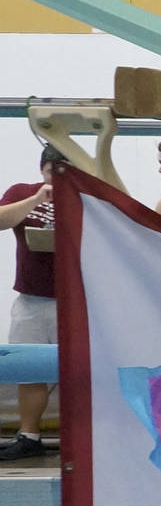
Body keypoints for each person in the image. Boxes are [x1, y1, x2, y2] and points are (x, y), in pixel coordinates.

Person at [0, 146, 62, 460]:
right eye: (53, 171)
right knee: (29, 370)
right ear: (43, 170)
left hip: (75, 301)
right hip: (32, 298)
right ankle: (29, 435)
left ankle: (85, 436)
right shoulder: (22, 192)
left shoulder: (86, 199)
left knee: (81, 373)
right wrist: (37, 199)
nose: (58, 178)